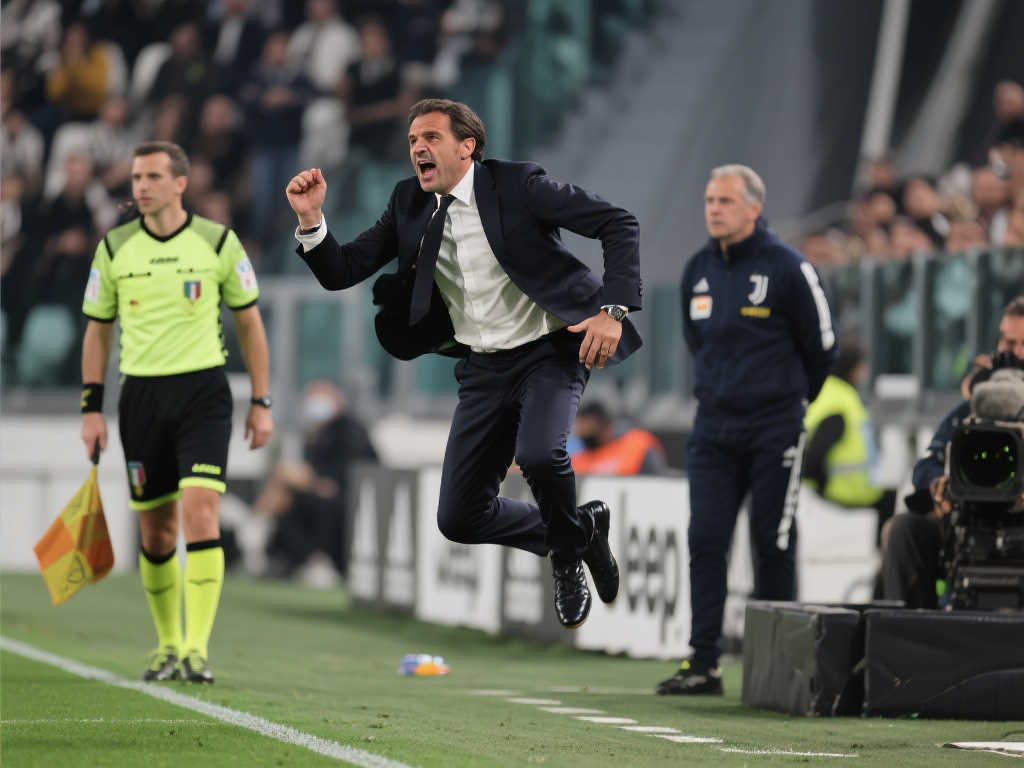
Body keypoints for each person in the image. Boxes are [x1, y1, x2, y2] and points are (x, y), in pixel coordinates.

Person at [285, 98, 642, 629]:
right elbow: (343, 270)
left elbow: (617, 222)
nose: (418, 148)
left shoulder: (518, 185)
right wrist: (312, 220)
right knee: (459, 517)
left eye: (430, 137)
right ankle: (580, 532)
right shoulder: (408, 202)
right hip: (484, 368)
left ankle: (567, 559)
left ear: (466, 146)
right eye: (412, 141)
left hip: (549, 350)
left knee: (540, 455)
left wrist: (612, 311)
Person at [80, 141, 273, 684]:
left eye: (152, 177)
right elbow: (97, 331)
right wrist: (91, 409)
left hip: (203, 395)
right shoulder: (115, 247)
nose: (141, 186)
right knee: (157, 532)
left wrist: (261, 402)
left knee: (201, 512)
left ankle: (195, 649)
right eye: (136, 178)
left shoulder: (218, 241)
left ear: (180, 184)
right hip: (140, 398)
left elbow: (250, 323)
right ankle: (166, 644)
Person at [658, 164, 838, 696]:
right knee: (706, 539)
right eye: (710, 200)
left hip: (774, 427)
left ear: (754, 208)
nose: (714, 209)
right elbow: (698, 343)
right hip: (713, 428)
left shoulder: (789, 267)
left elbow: (823, 348)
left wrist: (789, 403)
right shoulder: (697, 269)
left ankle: (778, 670)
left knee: (771, 541)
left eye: (726, 201)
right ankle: (703, 664)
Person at [883, 297, 1024, 608]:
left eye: (1023, 344)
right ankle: (909, 630)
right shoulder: (970, 410)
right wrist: (940, 484)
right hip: (971, 523)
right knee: (904, 528)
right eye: (1009, 342)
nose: (1015, 354)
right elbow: (926, 466)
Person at [257, 380, 378, 577]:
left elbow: (348, 475)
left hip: (351, 498)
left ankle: (316, 559)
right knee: (286, 496)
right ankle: (273, 550)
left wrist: (312, 482)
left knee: (291, 488)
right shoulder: (317, 433)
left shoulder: (350, 431)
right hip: (324, 493)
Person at [802, 337, 896, 543]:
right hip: (841, 487)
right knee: (892, 498)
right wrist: (822, 486)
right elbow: (816, 454)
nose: (865, 371)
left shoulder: (830, 390)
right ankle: (883, 556)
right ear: (852, 368)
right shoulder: (841, 400)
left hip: (839, 484)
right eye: (863, 365)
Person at [571, 400, 668, 476]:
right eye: (581, 426)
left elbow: (656, 481)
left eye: (590, 426)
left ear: (606, 427)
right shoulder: (575, 456)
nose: (583, 429)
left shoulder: (638, 444)